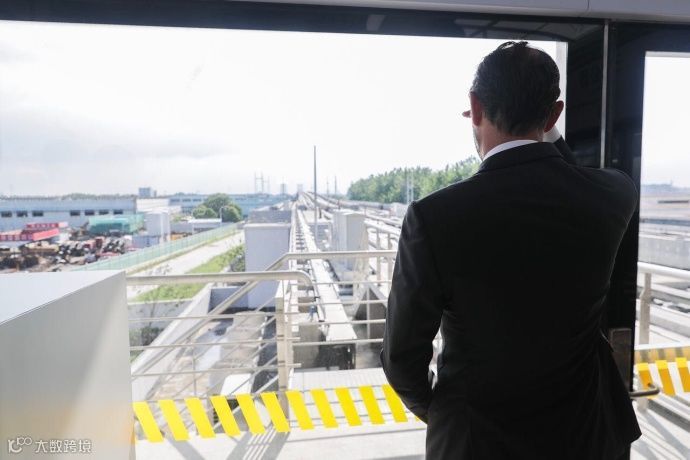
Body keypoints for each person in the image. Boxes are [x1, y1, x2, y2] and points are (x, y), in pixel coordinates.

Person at [380, 41, 641, 459]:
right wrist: (546, 126)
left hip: (477, 441)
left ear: (474, 107)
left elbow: (402, 360)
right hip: (587, 436)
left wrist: (447, 412)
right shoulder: (614, 195)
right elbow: (570, 170)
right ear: (554, 115)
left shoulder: (434, 217)